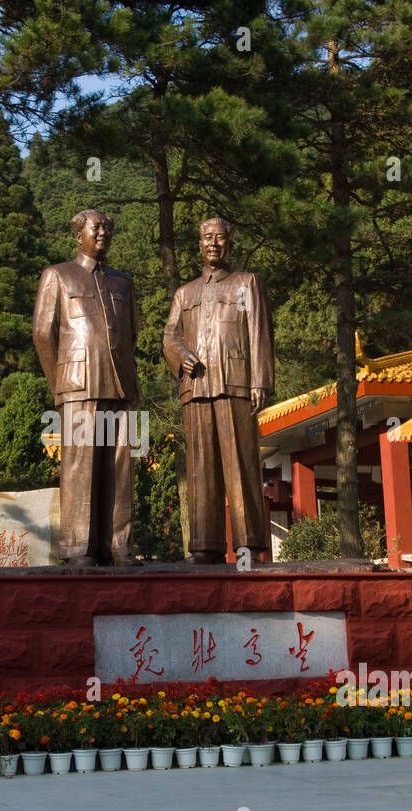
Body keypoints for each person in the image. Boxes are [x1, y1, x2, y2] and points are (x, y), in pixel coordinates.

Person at [32, 209, 141, 567]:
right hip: (78, 385)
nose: (104, 234)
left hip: (120, 384)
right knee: (80, 468)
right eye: (97, 228)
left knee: (121, 467)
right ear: (79, 235)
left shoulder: (123, 283)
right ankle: (79, 548)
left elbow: (131, 336)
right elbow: (42, 334)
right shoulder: (58, 276)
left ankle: (119, 545)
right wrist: (59, 383)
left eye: (109, 228)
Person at [163, 217, 274, 563]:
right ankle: (204, 545)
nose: (213, 243)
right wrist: (181, 356)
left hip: (235, 381)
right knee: (200, 467)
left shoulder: (246, 284)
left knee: (241, 464)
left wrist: (260, 380)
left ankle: (248, 543)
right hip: (196, 387)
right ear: (199, 245)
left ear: (230, 243)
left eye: (220, 238)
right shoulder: (185, 293)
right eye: (207, 238)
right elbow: (170, 336)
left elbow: (259, 331)